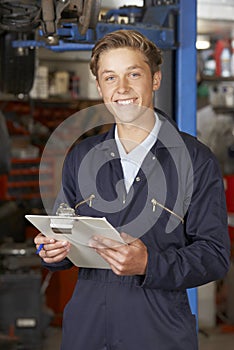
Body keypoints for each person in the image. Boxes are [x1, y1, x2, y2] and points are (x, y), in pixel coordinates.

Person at [34, 30, 230, 350]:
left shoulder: (195, 161)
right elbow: (63, 231)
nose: (121, 88)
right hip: (87, 331)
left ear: (155, 79)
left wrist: (149, 264)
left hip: (157, 333)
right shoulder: (82, 156)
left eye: (133, 74)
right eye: (110, 77)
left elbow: (215, 255)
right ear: (99, 87)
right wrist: (52, 251)